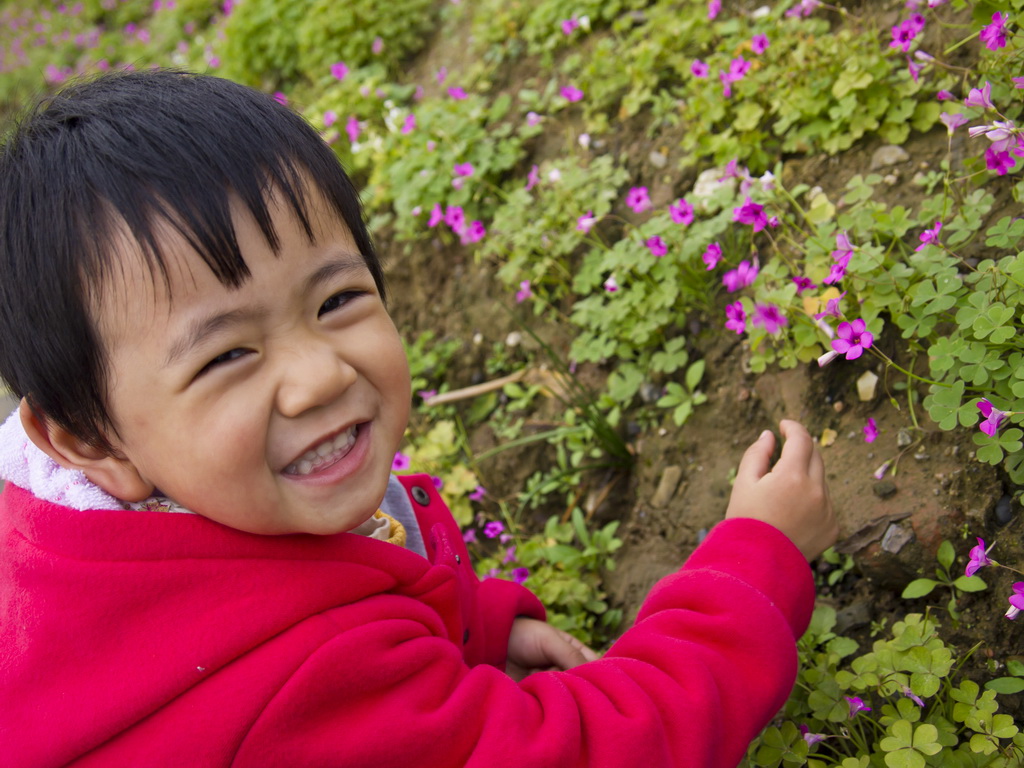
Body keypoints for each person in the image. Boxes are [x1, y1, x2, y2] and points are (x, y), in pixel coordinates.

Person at [0, 69, 837, 768]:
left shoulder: (73, 539)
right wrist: (752, 568)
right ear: (90, 440)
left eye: (336, 299)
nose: (320, 376)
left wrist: (478, 633)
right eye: (226, 356)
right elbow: (604, 750)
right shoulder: (304, 674)